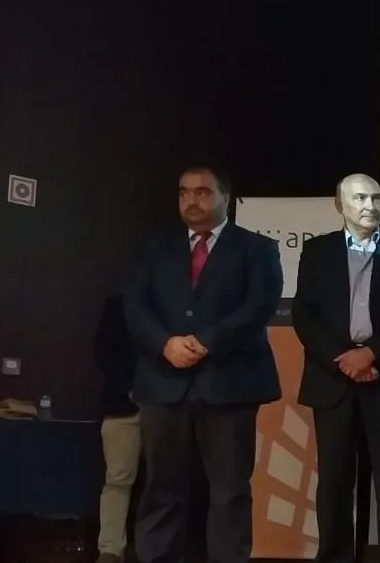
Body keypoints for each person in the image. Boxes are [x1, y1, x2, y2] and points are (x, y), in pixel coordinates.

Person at [123, 164, 282, 563]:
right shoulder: (155, 248)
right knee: (161, 487)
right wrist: (165, 344)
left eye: (202, 192)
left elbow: (259, 305)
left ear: (226, 198)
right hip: (163, 382)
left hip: (230, 384)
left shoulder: (257, 248)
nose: (191, 200)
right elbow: (135, 305)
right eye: (184, 192)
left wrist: (208, 342)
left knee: (230, 490)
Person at [290, 174, 380, 563]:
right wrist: (345, 359)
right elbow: (305, 315)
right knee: (334, 481)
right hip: (334, 378)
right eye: (359, 198)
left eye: (376, 197)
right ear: (340, 205)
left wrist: (370, 354)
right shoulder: (317, 251)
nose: (370, 205)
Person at [94, 292, 141, 563]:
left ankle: (156, 548)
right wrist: (130, 388)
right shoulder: (120, 304)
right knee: (117, 480)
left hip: (168, 406)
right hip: (122, 404)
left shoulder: (181, 306)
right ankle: (110, 550)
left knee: (166, 482)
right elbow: (103, 353)